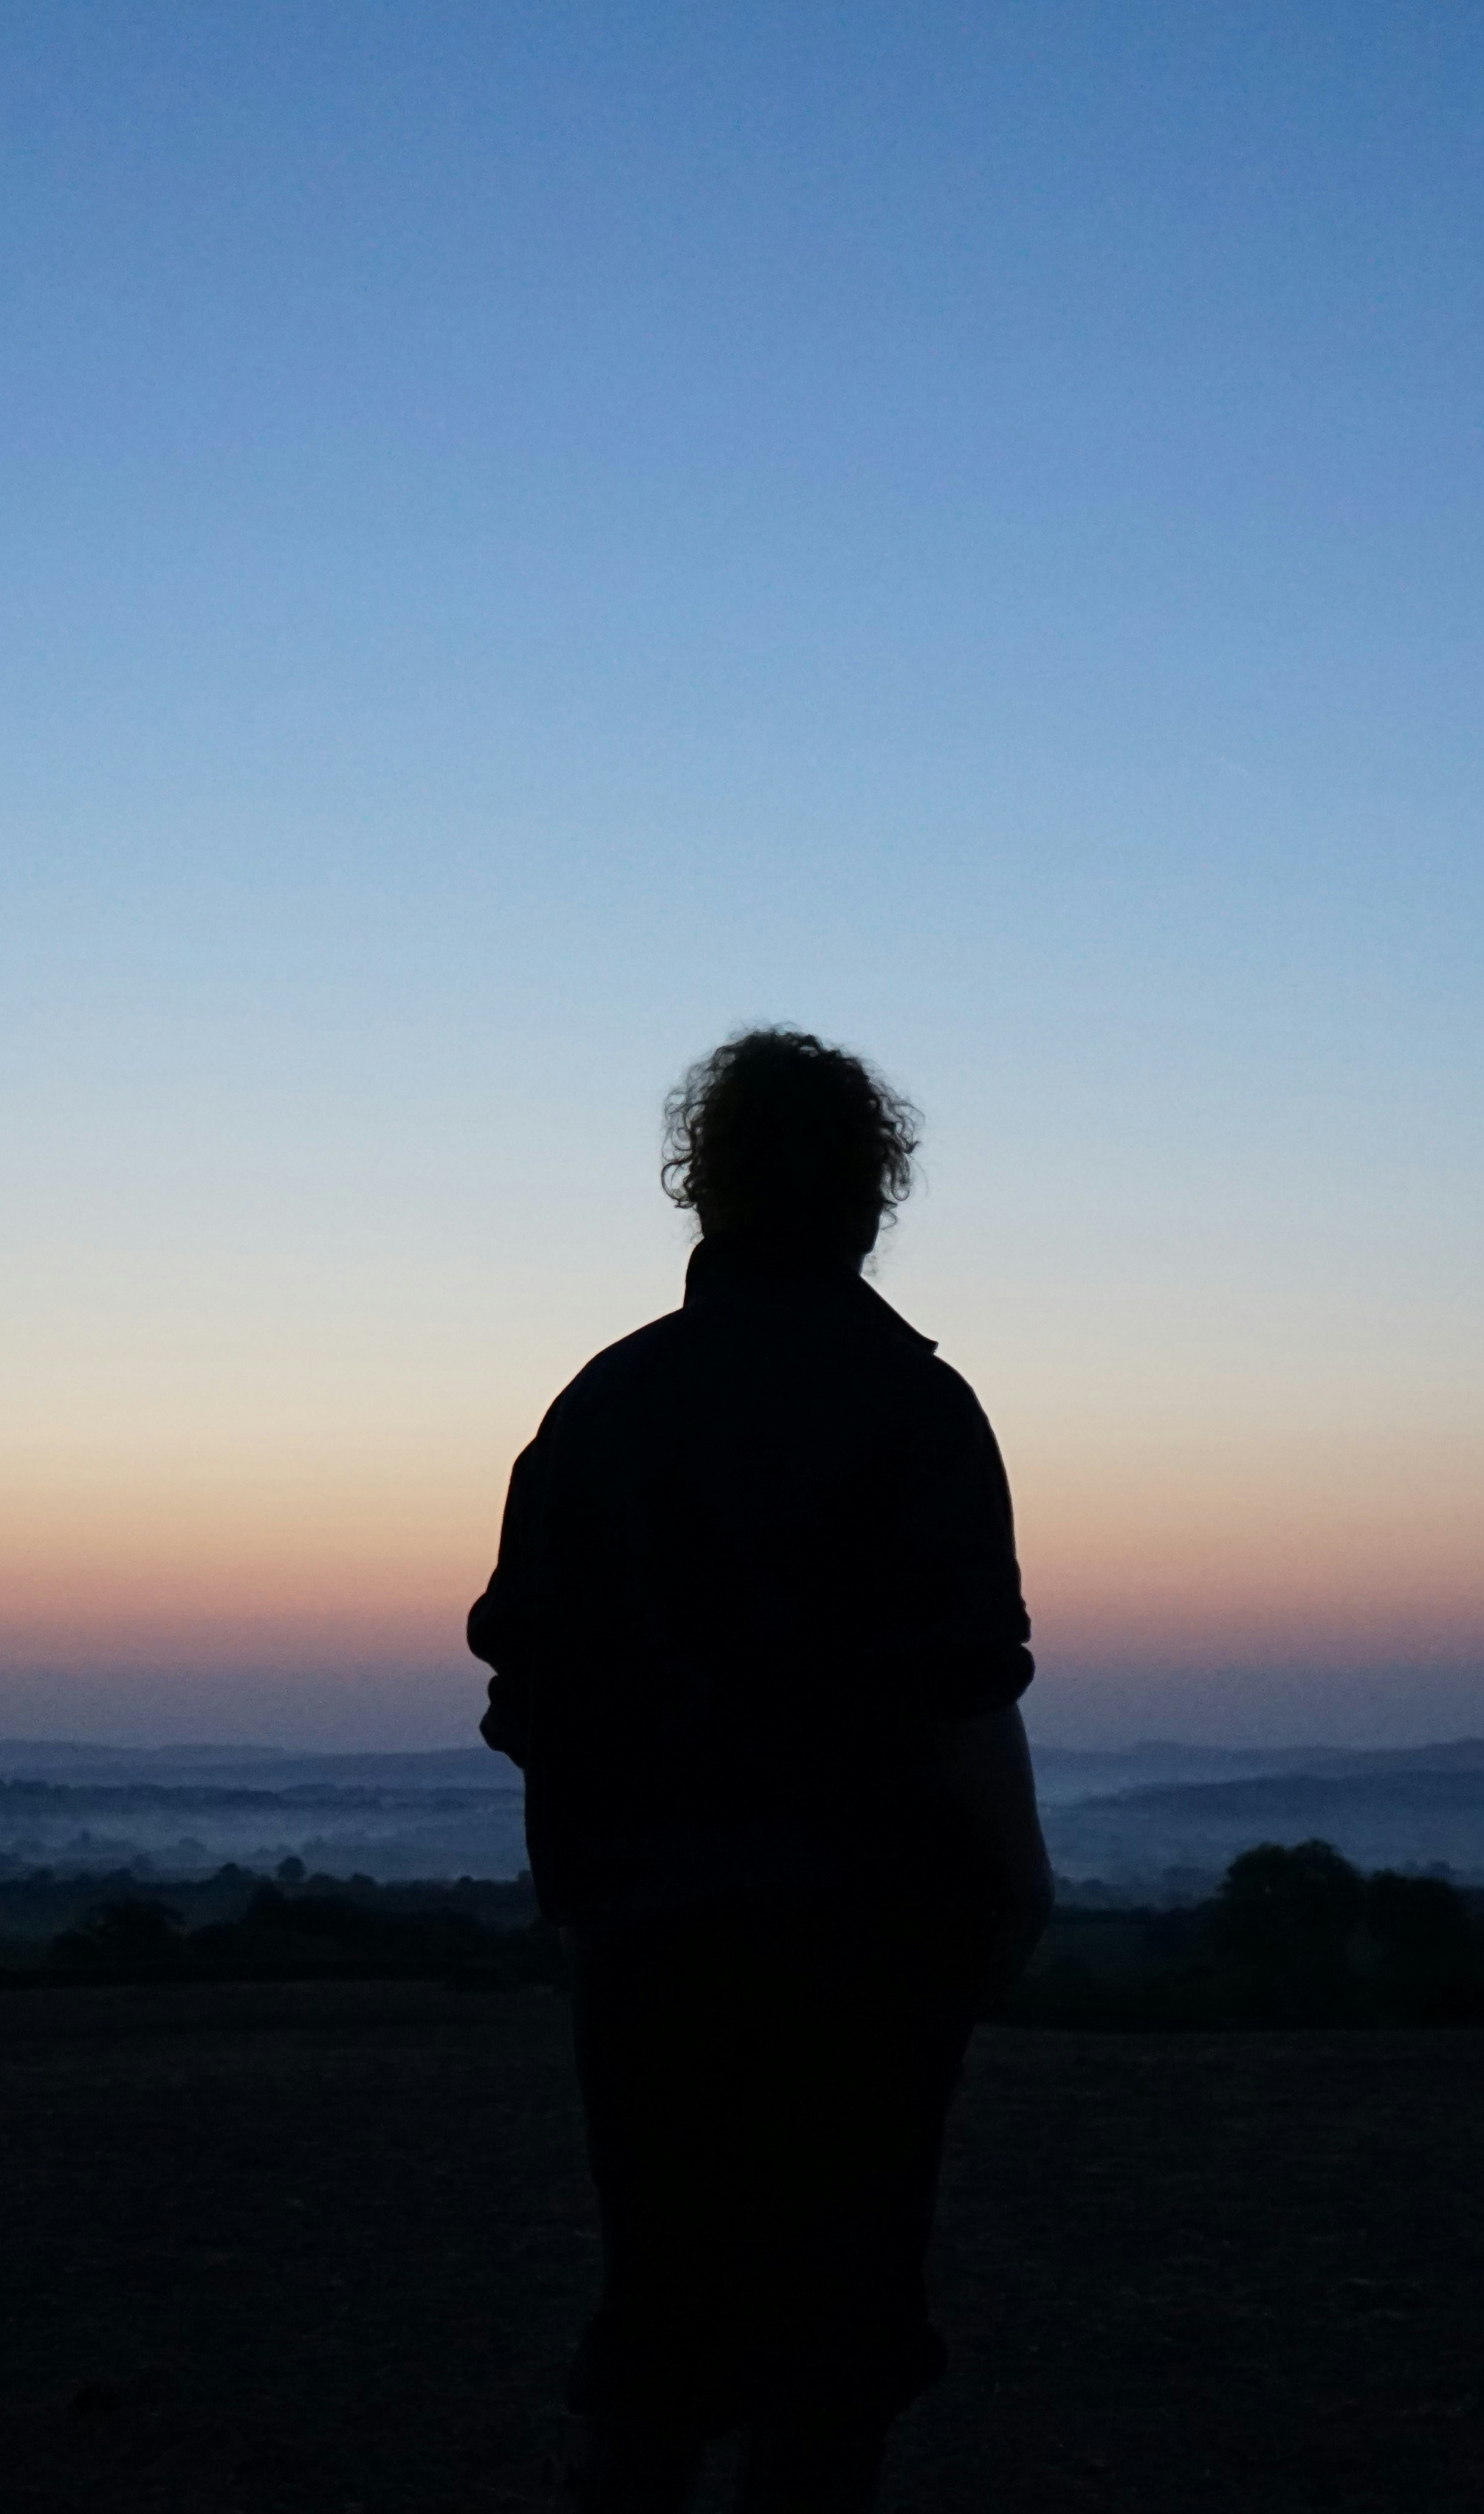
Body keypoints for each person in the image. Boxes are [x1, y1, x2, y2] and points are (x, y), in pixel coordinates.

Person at [470, 1028, 1052, 2514]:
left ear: (702, 1187)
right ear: (872, 1193)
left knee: (660, 2321)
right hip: (872, 1938)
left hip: (650, 1930)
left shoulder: (604, 1407)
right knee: (837, 2345)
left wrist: (584, 1886)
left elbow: (526, 1680)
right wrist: (1015, 1884)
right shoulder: (914, 1406)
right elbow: (959, 1691)